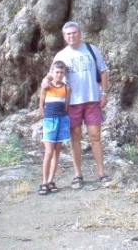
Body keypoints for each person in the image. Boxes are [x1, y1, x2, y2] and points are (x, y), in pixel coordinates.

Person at [42, 21, 109, 189]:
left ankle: (102, 173)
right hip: (71, 103)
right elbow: (51, 76)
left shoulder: (92, 50)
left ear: (79, 33)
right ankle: (78, 174)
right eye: (68, 34)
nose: (71, 36)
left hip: (92, 99)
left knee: (95, 136)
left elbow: (104, 71)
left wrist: (104, 93)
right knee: (75, 138)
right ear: (64, 37)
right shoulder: (61, 55)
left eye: (74, 33)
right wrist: (44, 82)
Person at [38, 60, 71, 195]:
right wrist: (45, 116)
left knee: (57, 152)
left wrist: (63, 117)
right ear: (52, 72)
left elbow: (66, 106)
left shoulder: (66, 88)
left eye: (62, 73)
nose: (59, 75)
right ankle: (44, 182)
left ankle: (51, 180)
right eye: (57, 72)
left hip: (62, 120)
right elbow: (41, 104)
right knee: (49, 152)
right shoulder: (46, 86)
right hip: (49, 120)